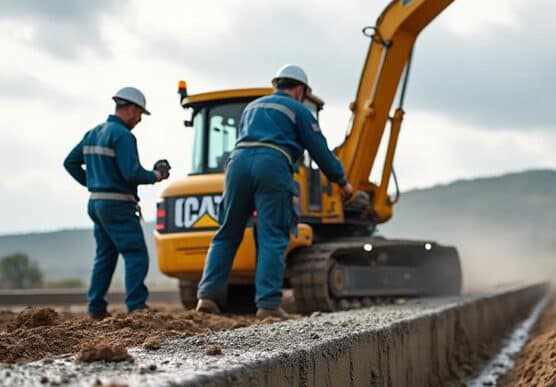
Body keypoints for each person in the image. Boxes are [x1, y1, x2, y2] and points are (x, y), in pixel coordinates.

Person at [195, 65, 353, 319]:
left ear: (277, 84)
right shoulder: (298, 110)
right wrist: (341, 181)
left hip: (237, 163)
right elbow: (319, 149)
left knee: (227, 233)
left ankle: (207, 297)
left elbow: (244, 139)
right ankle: (268, 305)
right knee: (273, 235)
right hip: (273, 163)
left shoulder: (252, 107)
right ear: (299, 90)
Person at [64, 87, 168, 320]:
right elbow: (132, 173)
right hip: (119, 205)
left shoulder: (93, 133)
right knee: (136, 254)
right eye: (140, 113)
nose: (140, 119)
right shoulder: (123, 136)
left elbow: (69, 163)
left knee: (105, 256)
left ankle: (96, 308)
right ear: (131, 109)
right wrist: (157, 175)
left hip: (96, 204)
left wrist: (93, 182)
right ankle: (137, 307)